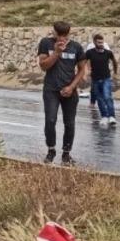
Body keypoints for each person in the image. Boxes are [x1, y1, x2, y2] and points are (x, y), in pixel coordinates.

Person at [36, 21, 88, 164]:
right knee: (50, 120)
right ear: (53, 32)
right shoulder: (45, 43)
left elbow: (82, 69)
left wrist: (71, 87)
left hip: (70, 91)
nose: (61, 38)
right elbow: (43, 66)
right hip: (51, 90)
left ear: (69, 33)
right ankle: (51, 150)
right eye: (58, 35)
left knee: (69, 123)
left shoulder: (76, 47)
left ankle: (66, 154)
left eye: (64, 35)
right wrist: (57, 53)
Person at [86, 33, 118, 126]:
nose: (101, 44)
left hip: (106, 78)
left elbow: (115, 62)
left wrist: (115, 73)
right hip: (95, 79)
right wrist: (86, 72)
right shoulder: (90, 52)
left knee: (107, 96)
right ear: (94, 42)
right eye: (99, 42)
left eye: (102, 42)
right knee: (99, 99)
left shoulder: (108, 52)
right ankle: (104, 116)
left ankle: (112, 116)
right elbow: (83, 61)